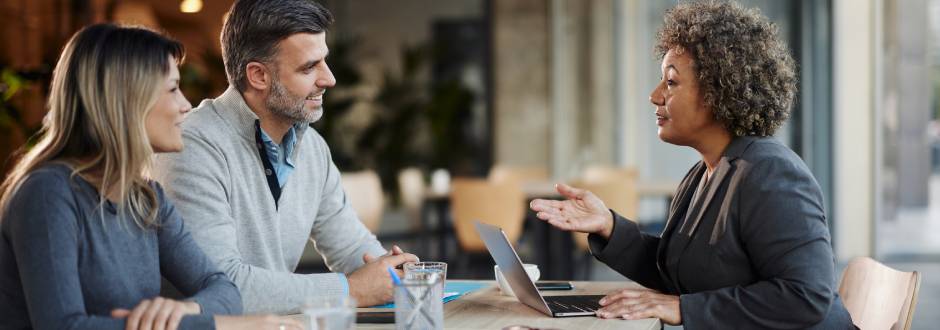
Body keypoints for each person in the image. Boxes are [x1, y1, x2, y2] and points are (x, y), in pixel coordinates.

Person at [530, 1, 855, 329]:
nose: (655, 96)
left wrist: (684, 309)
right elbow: (680, 273)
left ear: (719, 91)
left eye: (671, 83)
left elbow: (806, 296)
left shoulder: (770, 174)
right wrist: (609, 227)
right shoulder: (704, 173)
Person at [0, 24, 303, 330]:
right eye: (173, 89)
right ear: (126, 99)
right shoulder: (47, 193)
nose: (186, 105)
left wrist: (181, 312)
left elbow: (224, 289)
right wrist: (226, 326)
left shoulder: (147, 199)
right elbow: (63, 327)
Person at [151, 0, 418, 313]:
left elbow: (351, 248)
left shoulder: (312, 148)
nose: (329, 79)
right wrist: (353, 289)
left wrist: (396, 271)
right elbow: (221, 287)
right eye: (309, 67)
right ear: (259, 76)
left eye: (324, 61)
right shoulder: (192, 146)